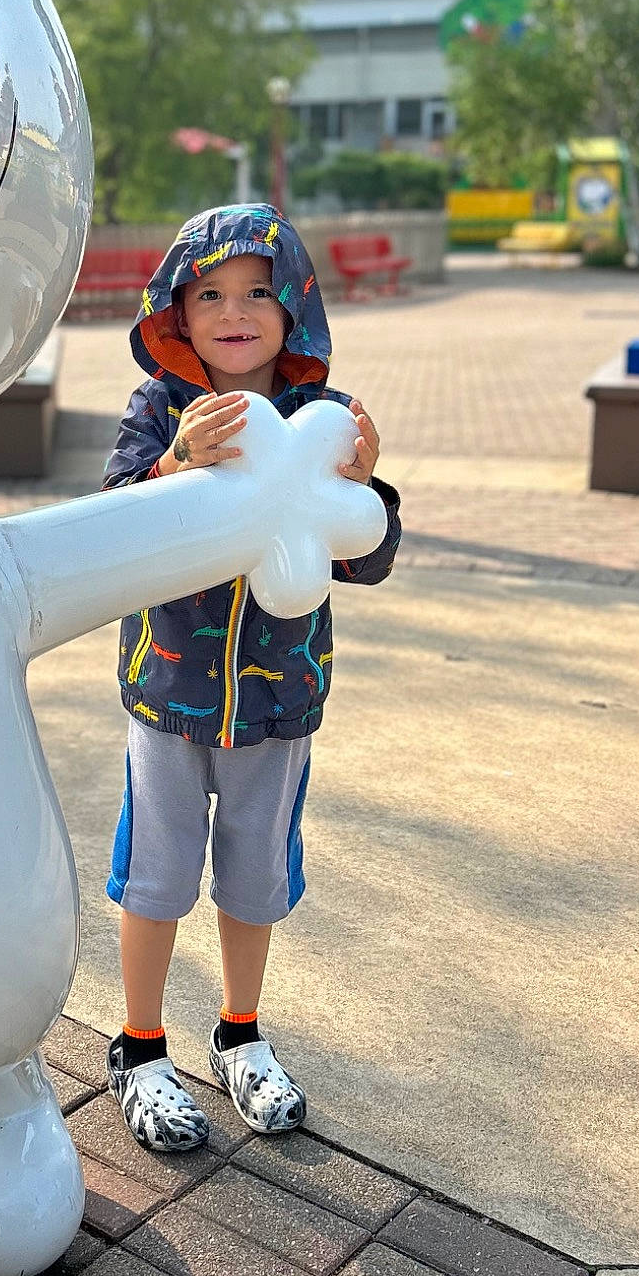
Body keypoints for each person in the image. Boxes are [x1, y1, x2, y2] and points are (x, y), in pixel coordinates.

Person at [101, 204, 401, 1151]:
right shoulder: (159, 411)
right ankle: (139, 1047)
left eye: (260, 293)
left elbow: (368, 555)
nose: (236, 312)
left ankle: (240, 1034)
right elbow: (111, 527)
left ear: (296, 307)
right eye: (211, 294)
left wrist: (366, 486)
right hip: (170, 698)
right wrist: (177, 461)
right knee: (155, 876)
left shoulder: (326, 422)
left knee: (254, 878)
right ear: (176, 314)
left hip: (280, 703)